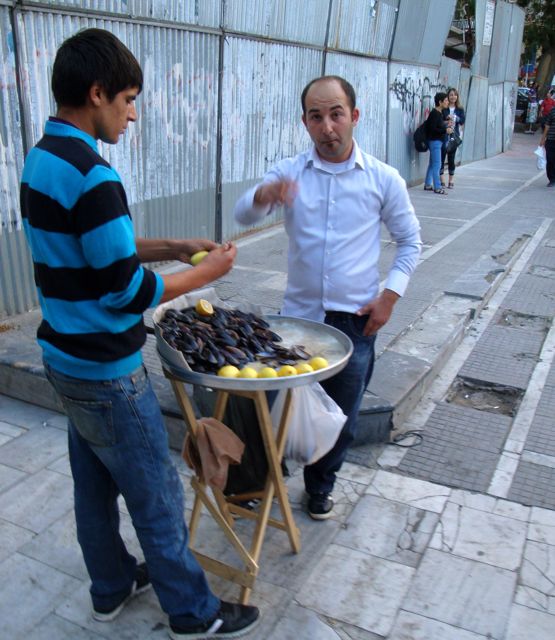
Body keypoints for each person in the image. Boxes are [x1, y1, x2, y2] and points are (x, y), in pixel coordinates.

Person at [19, 28, 259, 639]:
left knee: (93, 486)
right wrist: (202, 273)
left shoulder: (43, 156)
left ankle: (110, 587)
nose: (133, 113)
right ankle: (193, 613)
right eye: (127, 98)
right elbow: (124, 290)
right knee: (154, 499)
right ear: (96, 94)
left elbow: (100, 253)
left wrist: (175, 245)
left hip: (64, 360)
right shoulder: (95, 176)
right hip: (106, 370)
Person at [234, 76, 422, 520]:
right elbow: (244, 212)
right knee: (278, 406)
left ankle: (320, 487)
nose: (328, 126)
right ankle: (267, 477)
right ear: (305, 122)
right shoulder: (289, 172)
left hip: (354, 323)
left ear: (354, 116)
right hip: (294, 322)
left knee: (340, 417)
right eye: (316, 116)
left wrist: (389, 297)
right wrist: (262, 196)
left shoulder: (383, 179)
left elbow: (411, 242)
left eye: (336, 113)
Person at [423, 92, 453, 195]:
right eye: (445, 100)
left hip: (437, 141)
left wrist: (446, 124)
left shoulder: (439, 113)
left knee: (432, 164)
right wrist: (445, 131)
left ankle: (427, 184)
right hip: (434, 141)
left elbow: (437, 126)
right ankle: (438, 187)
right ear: (440, 102)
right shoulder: (435, 113)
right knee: (437, 164)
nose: (447, 102)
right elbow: (433, 129)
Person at [440, 87, 465, 189]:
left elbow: (462, 121)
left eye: (455, 95)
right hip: (444, 135)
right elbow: (440, 120)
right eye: (451, 95)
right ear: (448, 96)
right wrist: (447, 119)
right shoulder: (444, 108)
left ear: (457, 97)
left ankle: (451, 180)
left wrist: (456, 118)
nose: (453, 97)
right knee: (441, 157)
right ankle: (441, 180)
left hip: (454, 136)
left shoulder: (460, 109)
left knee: (451, 158)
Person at [539, 103, 555, 187]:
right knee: (550, 159)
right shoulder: (553, 111)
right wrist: (543, 139)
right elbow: (547, 126)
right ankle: (552, 179)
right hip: (551, 140)